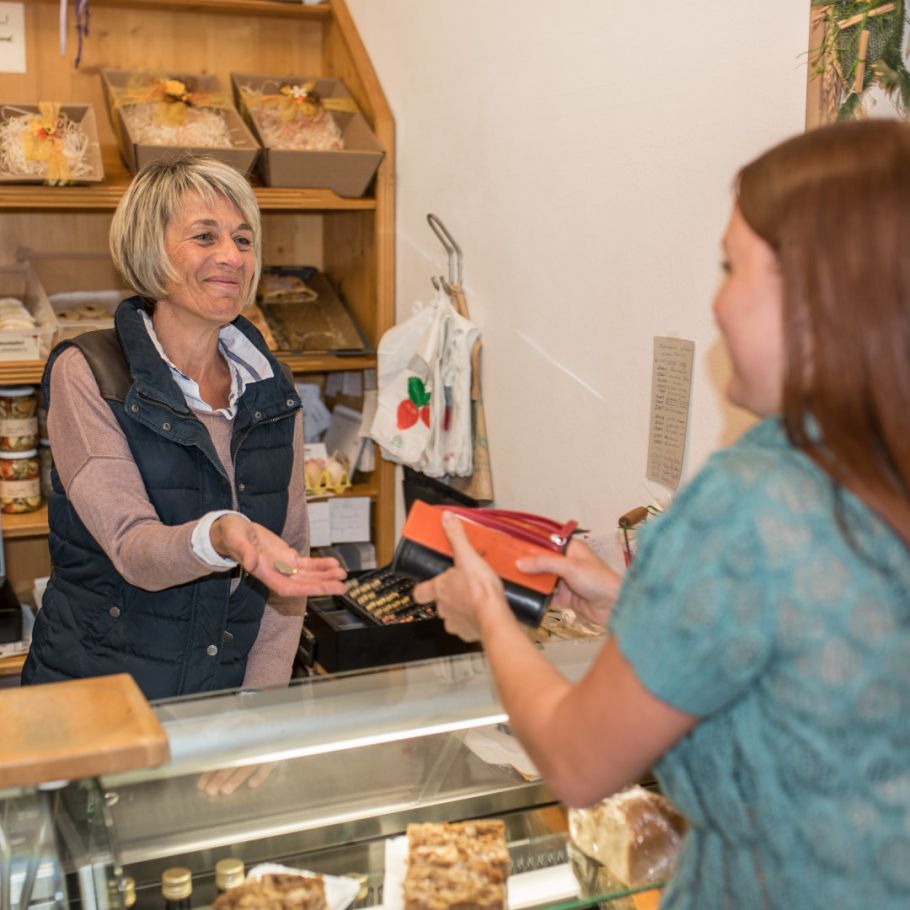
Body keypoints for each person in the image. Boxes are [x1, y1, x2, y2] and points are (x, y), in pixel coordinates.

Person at [413, 119, 910, 909]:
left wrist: (490, 616)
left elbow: (577, 763)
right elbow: (813, 666)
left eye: (732, 267)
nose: (717, 303)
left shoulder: (753, 494)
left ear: (817, 294)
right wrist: (633, 605)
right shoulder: (875, 467)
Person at [23, 154, 347, 700]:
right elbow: (133, 548)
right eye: (204, 236)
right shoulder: (91, 373)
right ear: (150, 250)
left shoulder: (271, 389)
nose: (232, 257)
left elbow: (287, 568)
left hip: (220, 703)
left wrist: (257, 709)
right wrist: (221, 534)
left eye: (243, 240)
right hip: (98, 699)